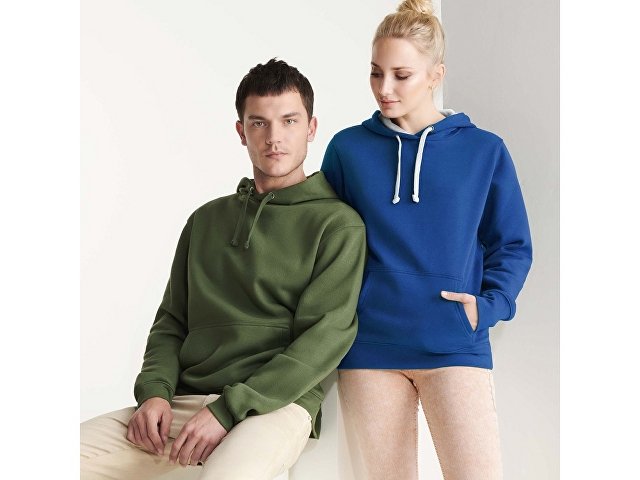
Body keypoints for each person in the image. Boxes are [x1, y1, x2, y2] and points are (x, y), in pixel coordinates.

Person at [80, 58, 367, 480]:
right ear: (241, 131)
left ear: (311, 127)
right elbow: (172, 322)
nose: (274, 138)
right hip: (184, 402)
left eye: (289, 121)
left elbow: (324, 338)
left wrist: (229, 409)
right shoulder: (205, 221)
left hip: (273, 407)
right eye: (258, 123)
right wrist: (154, 393)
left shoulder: (337, 225)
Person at [320, 1, 533, 479]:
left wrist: (488, 307)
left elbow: (512, 244)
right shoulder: (348, 150)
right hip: (370, 348)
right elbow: (321, 239)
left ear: (436, 74)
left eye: (401, 75)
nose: (384, 88)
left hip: (455, 343)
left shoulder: (484, 150)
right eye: (376, 73)